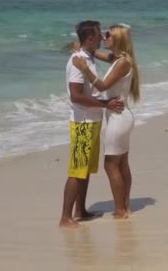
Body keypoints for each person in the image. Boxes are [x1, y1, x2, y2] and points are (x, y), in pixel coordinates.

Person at [59, 20, 125, 229]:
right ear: (89, 38)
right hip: (82, 122)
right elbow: (76, 96)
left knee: (85, 170)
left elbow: (115, 59)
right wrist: (105, 103)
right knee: (77, 170)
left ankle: (80, 210)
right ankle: (65, 218)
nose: (102, 38)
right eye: (99, 35)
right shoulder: (79, 61)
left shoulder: (86, 56)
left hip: (92, 119)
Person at [72, 23, 140, 219]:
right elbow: (93, 53)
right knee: (122, 163)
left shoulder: (122, 63)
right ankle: (125, 206)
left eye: (108, 35)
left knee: (111, 165)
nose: (103, 38)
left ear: (118, 38)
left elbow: (101, 86)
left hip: (118, 118)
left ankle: (120, 210)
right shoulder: (119, 59)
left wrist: (85, 69)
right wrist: (80, 48)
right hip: (120, 116)